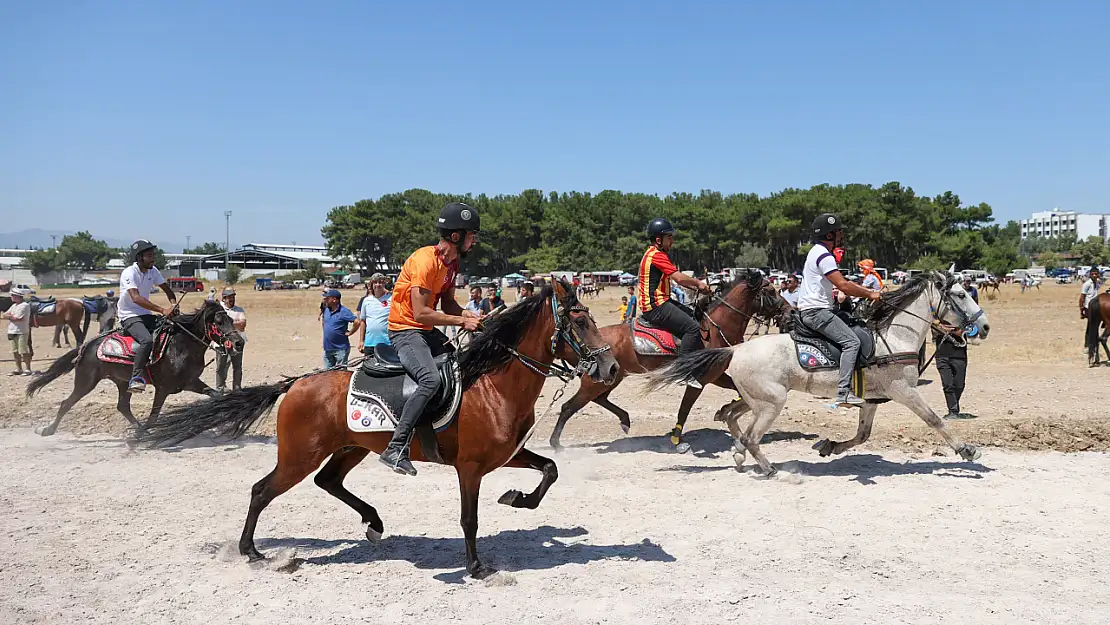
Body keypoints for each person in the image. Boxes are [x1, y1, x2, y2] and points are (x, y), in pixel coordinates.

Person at [380, 201, 483, 476]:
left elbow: (448, 306)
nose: (474, 240)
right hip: (405, 330)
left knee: (459, 367)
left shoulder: (452, 263)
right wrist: (463, 321)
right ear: (456, 236)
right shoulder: (425, 261)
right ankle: (396, 447)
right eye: (472, 235)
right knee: (430, 379)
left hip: (424, 330)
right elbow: (422, 313)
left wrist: (475, 318)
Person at [796, 214, 881, 407]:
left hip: (814, 309)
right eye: (838, 232)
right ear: (829, 235)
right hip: (816, 312)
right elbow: (844, 285)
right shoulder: (825, 256)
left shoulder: (816, 251)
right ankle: (843, 392)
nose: (841, 236)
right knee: (851, 342)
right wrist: (871, 294)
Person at [118, 240, 177, 393]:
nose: (153, 259)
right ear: (139, 257)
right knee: (146, 340)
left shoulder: (153, 271)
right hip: (129, 316)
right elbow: (136, 298)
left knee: (172, 329)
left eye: (153, 255)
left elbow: (168, 291)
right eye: (149, 256)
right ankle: (136, 378)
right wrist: (162, 310)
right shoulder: (129, 273)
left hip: (145, 314)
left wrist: (173, 305)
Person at [934, 321, 973, 419]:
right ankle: (953, 411)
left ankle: (954, 406)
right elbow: (933, 326)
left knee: (959, 385)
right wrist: (950, 330)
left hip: (959, 355)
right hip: (942, 354)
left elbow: (973, 330)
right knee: (948, 384)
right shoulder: (937, 312)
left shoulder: (963, 314)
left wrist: (956, 330)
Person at [215, 287, 247, 392]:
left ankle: (237, 389)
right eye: (229, 297)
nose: (232, 299)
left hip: (237, 342)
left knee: (237, 367)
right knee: (221, 367)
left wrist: (226, 323)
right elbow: (216, 326)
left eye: (233, 296)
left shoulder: (239, 310)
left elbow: (243, 325)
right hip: (221, 342)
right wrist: (235, 323)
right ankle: (220, 388)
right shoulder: (219, 310)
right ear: (224, 298)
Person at [321, 289, 358, 368]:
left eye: (327, 298)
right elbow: (324, 320)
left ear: (334, 299)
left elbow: (357, 322)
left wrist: (350, 332)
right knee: (327, 375)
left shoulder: (344, 311)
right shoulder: (326, 310)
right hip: (328, 348)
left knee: (340, 374)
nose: (325, 300)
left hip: (340, 349)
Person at [357, 273, 392, 354]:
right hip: (370, 342)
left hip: (387, 342)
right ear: (371, 285)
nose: (378, 285)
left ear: (384, 284)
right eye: (375, 282)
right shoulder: (366, 300)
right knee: (369, 366)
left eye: (380, 282)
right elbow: (363, 321)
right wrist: (361, 341)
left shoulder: (391, 299)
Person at [2, 287, 32, 375]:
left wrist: (10, 316)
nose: (11, 297)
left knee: (23, 351)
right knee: (15, 351)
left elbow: (18, 318)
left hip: (21, 331)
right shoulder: (14, 306)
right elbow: (3, 315)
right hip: (12, 331)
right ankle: (19, 369)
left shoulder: (25, 305)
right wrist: (10, 316)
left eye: (12, 295)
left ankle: (28, 369)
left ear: (17, 296)